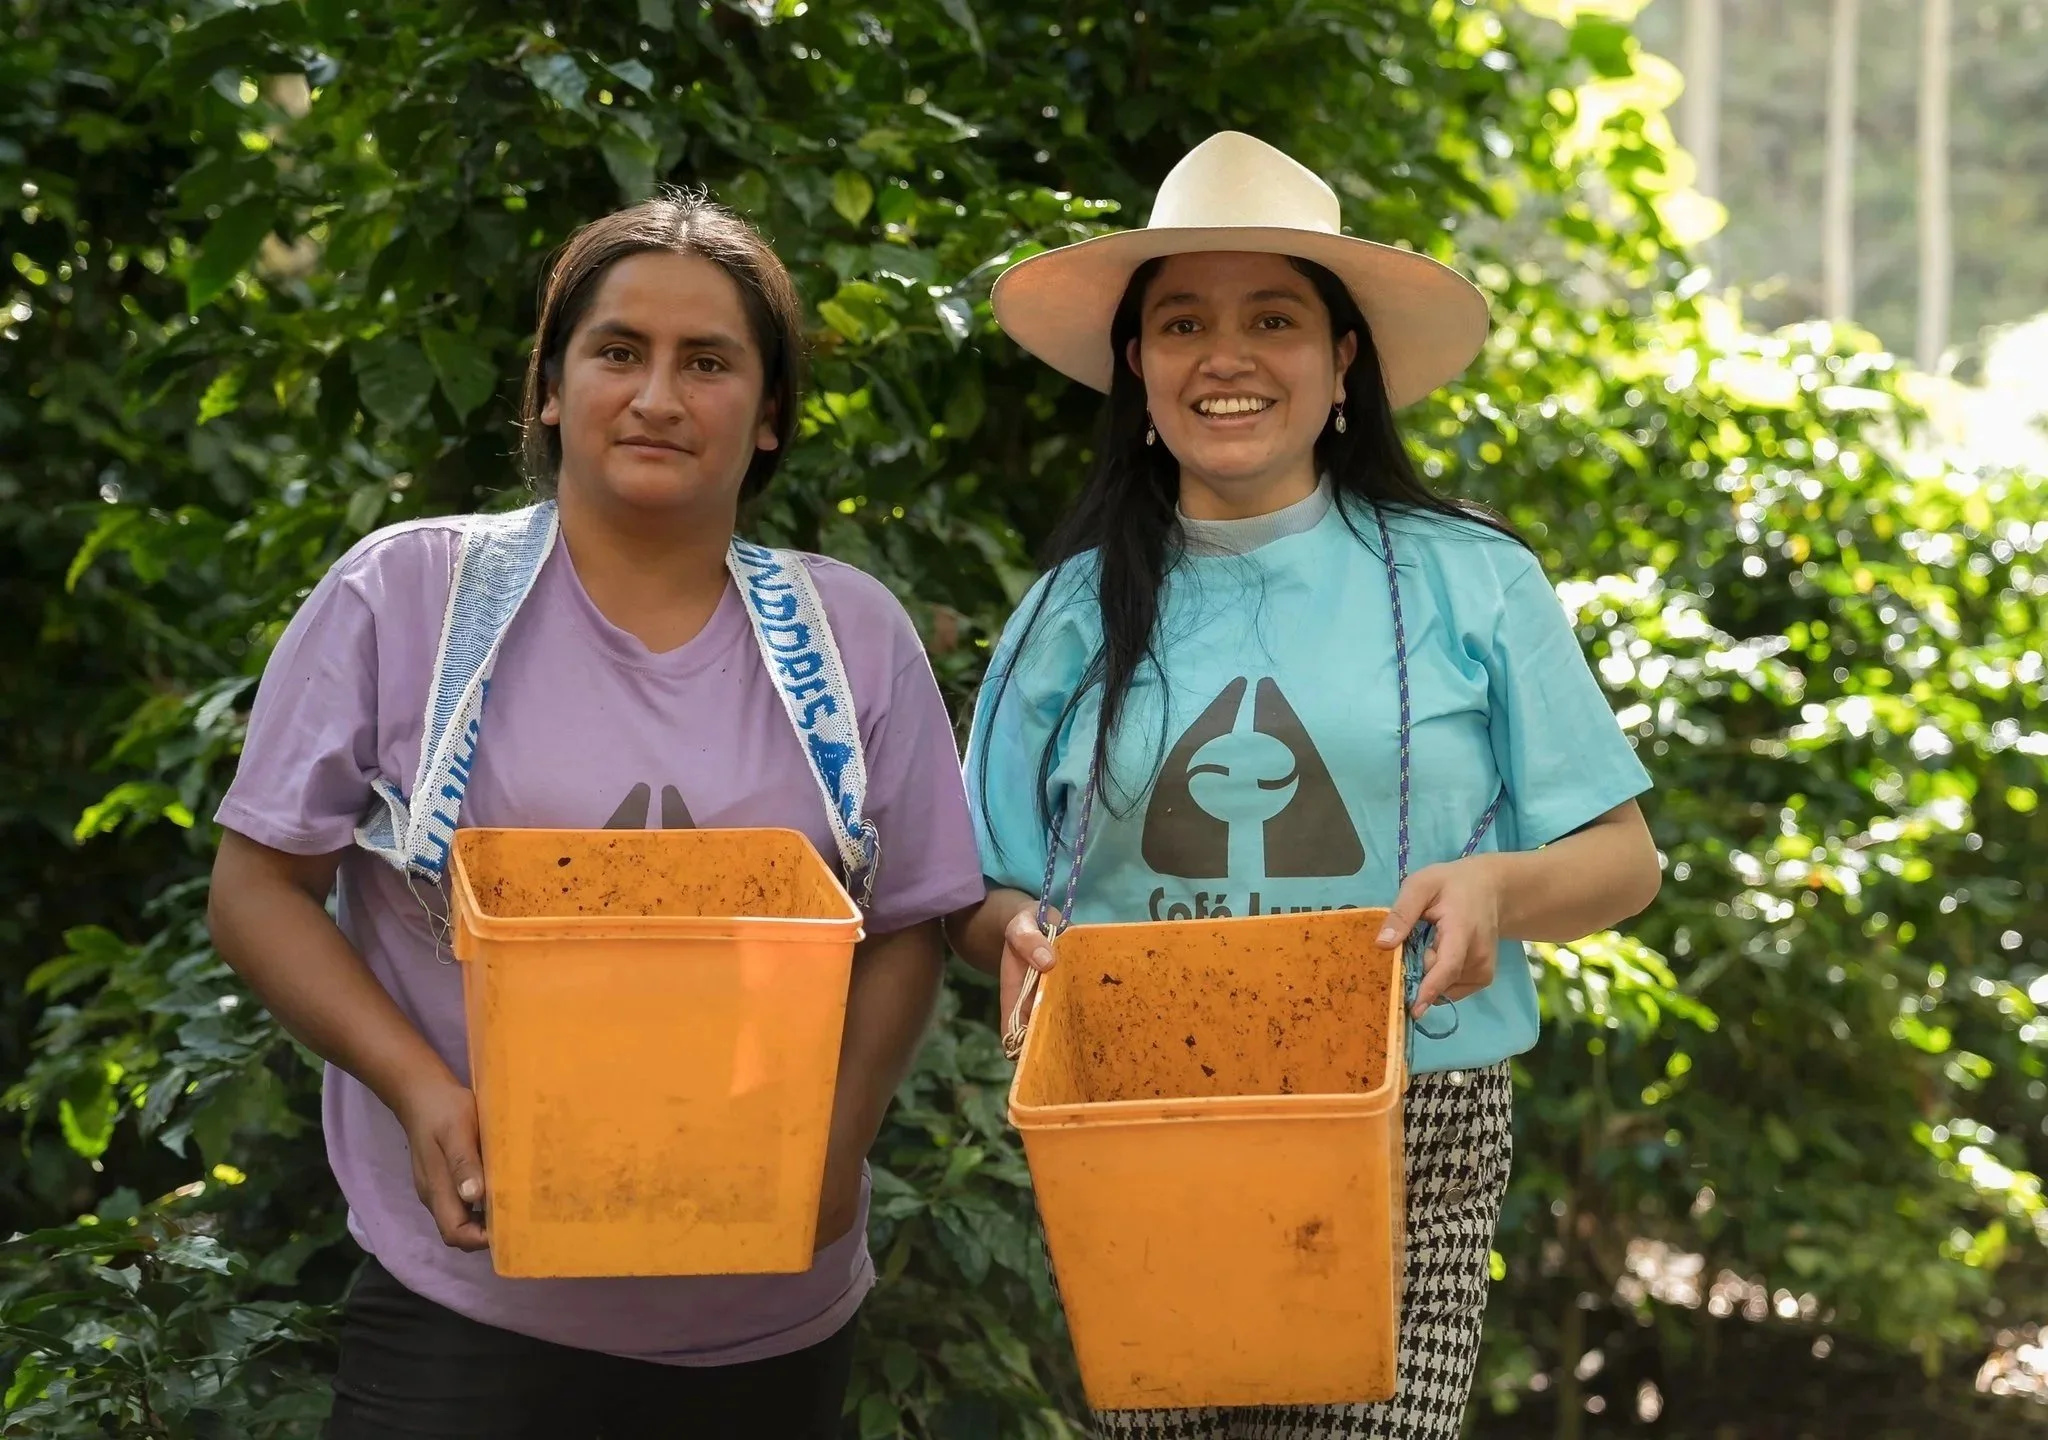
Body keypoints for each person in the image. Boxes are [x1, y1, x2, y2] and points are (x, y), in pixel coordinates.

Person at [207, 190, 986, 1439]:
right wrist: (418, 1090)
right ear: (551, 390)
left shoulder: (848, 636)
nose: (657, 397)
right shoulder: (407, 597)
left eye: (708, 363)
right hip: (471, 1304)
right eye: (618, 351)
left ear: (770, 414)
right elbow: (257, 890)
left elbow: (905, 922)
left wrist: (838, 1147)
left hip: (770, 1322)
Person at [945, 132, 1663, 1439]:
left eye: (1271, 319)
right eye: (1182, 324)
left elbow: (1625, 861)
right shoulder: (1065, 613)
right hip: (1140, 1115)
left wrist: (1495, 888)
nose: (1224, 356)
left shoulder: (1473, 581)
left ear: (1341, 362)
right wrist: (1015, 933)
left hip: (1411, 1114)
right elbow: (977, 886)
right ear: (1136, 366)